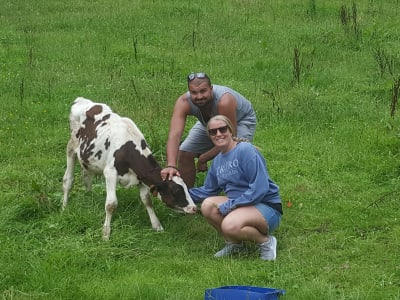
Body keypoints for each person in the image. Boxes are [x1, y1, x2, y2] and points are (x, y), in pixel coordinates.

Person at [188, 115, 282, 261]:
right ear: (210, 136)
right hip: (242, 206)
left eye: (222, 129)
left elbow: (260, 188)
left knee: (229, 225)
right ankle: (235, 244)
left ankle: (266, 242)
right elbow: (208, 191)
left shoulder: (245, 150)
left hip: (265, 206)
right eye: (213, 132)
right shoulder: (218, 160)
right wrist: (179, 194)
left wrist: (232, 205)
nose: (218, 134)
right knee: (207, 205)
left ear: (231, 131)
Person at [160, 72, 256, 188]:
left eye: (203, 91)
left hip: (239, 121)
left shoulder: (224, 100)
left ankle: (237, 194)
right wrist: (171, 165)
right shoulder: (184, 102)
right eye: (194, 93)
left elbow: (230, 138)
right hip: (209, 122)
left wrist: (204, 158)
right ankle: (187, 197)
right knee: (185, 153)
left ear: (211, 89)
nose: (199, 96)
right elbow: (174, 135)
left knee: (233, 155)